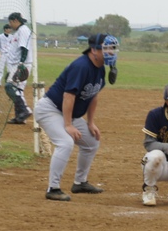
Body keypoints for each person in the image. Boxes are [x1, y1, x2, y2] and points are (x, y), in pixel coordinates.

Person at [34, 33, 117, 201]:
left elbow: (93, 96)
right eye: (106, 49)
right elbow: (68, 96)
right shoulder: (82, 66)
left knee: (92, 142)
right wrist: (68, 125)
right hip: (50, 109)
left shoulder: (100, 67)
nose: (111, 53)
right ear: (94, 50)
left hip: (68, 113)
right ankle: (53, 188)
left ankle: (80, 183)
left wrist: (91, 122)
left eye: (113, 49)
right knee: (65, 142)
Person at [3, 12, 35, 124]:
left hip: (21, 64)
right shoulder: (18, 31)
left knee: (10, 87)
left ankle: (24, 111)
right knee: (17, 89)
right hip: (15, 64)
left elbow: (24, 48)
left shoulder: (23, 30)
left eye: (10, 22)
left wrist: (21, 63)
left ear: (15, 20)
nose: (10, 25)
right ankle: (20, 116)